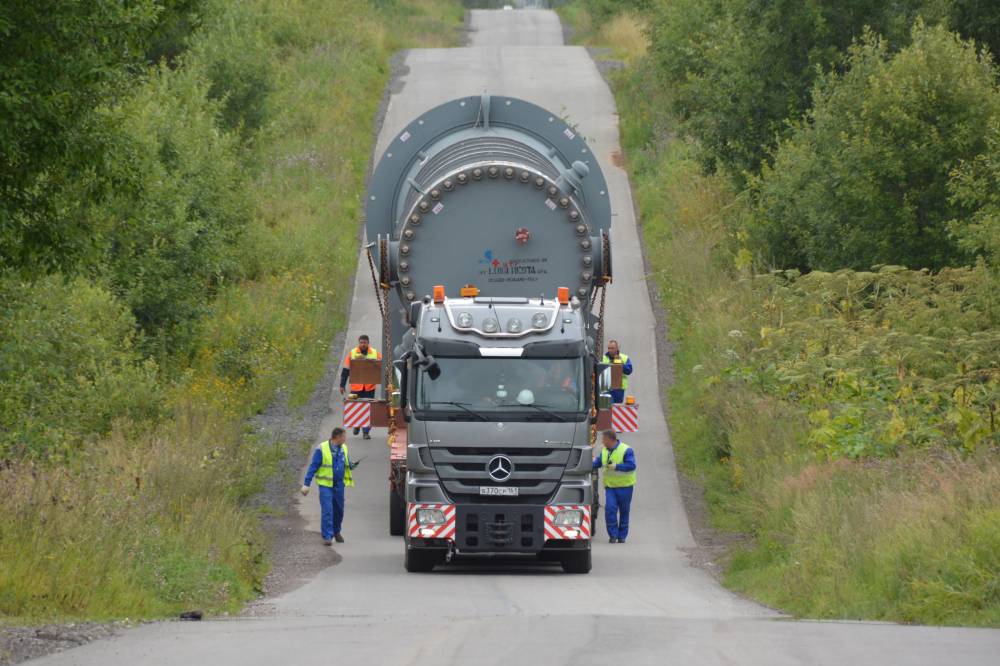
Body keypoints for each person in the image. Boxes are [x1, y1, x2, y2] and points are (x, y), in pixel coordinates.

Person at [300, 427, 357, 545]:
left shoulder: (344, 448)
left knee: (339, 510)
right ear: (337, 437)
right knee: (327, 510)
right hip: (325, 485)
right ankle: (327, 536)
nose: (345, 439)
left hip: (339, 485)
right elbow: (313, 466)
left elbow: (345, 461)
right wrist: (306, 484)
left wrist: (351, 465)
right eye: (344, 437)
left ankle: (336, 532)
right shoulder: (322, 449)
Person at [593, 429, 636, 543]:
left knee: (624, 511)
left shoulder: (626, 450)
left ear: (609, 439)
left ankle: (622, 536)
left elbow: (631, 465)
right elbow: (598, 462)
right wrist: (587, 464)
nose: (602, 442)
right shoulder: (605, 451)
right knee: (610, 509)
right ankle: (613, 535)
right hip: (611, 487)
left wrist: (617, 466)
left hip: (625, 487)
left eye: (603, 439)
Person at [339, 334, 382, 439]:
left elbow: (382, 366)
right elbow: (346, 370)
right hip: (356, 387)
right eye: (361, 342)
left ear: (368, 343)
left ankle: (366, 432)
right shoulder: (352, 353)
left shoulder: (375, 353)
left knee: (368, 410)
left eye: (364, 342)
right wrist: (342, 385)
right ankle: (357, 425)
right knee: (355, 407)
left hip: (369, 387)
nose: (363, 344)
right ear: (359, 343)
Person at [602, 340, 633, 404]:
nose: (610, 350)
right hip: (606, 388)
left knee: (617, 407)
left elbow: (629, 371)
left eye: (612, 348)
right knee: (609, 406)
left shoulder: (624, 358)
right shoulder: (603, 358)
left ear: (617, 348)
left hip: (619, 389)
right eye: (609, 348)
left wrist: (621, 364)